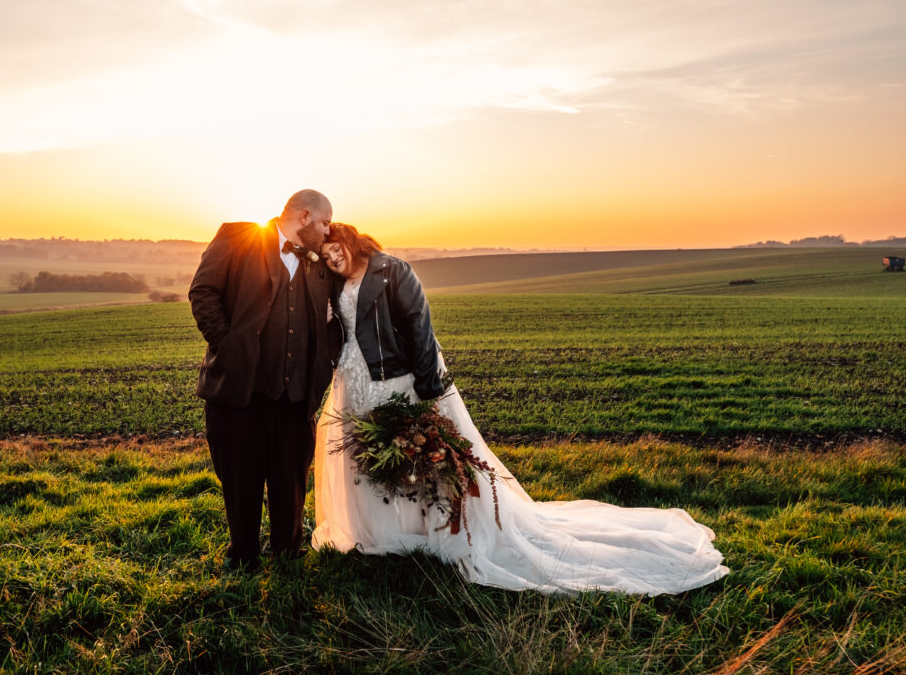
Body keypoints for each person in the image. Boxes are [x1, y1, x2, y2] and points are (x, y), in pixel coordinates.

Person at [311, 223, 729, 595]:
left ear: (351, 239)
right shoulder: (334, 282)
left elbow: (419, 322)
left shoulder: (392, 269)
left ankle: (439, 533)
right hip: (356, 380)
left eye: (337, 250)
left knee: (425, 458)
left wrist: (427, 385)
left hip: (397, 377)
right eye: (327, 257)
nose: (334, 259)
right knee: (372, 459)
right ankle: (389, 535)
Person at [189, 189, 340, 571]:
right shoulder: (236, 238)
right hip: (239, 391)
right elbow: (203, 292)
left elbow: (336, 314)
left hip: (297, 392)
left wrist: (323, 362)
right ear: (304, 216)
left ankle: (288, 551)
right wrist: (227, 345)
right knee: (240, 475)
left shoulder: (319, 260)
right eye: (324, 223)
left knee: (291, 476)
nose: (327, 231)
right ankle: (243, 555)